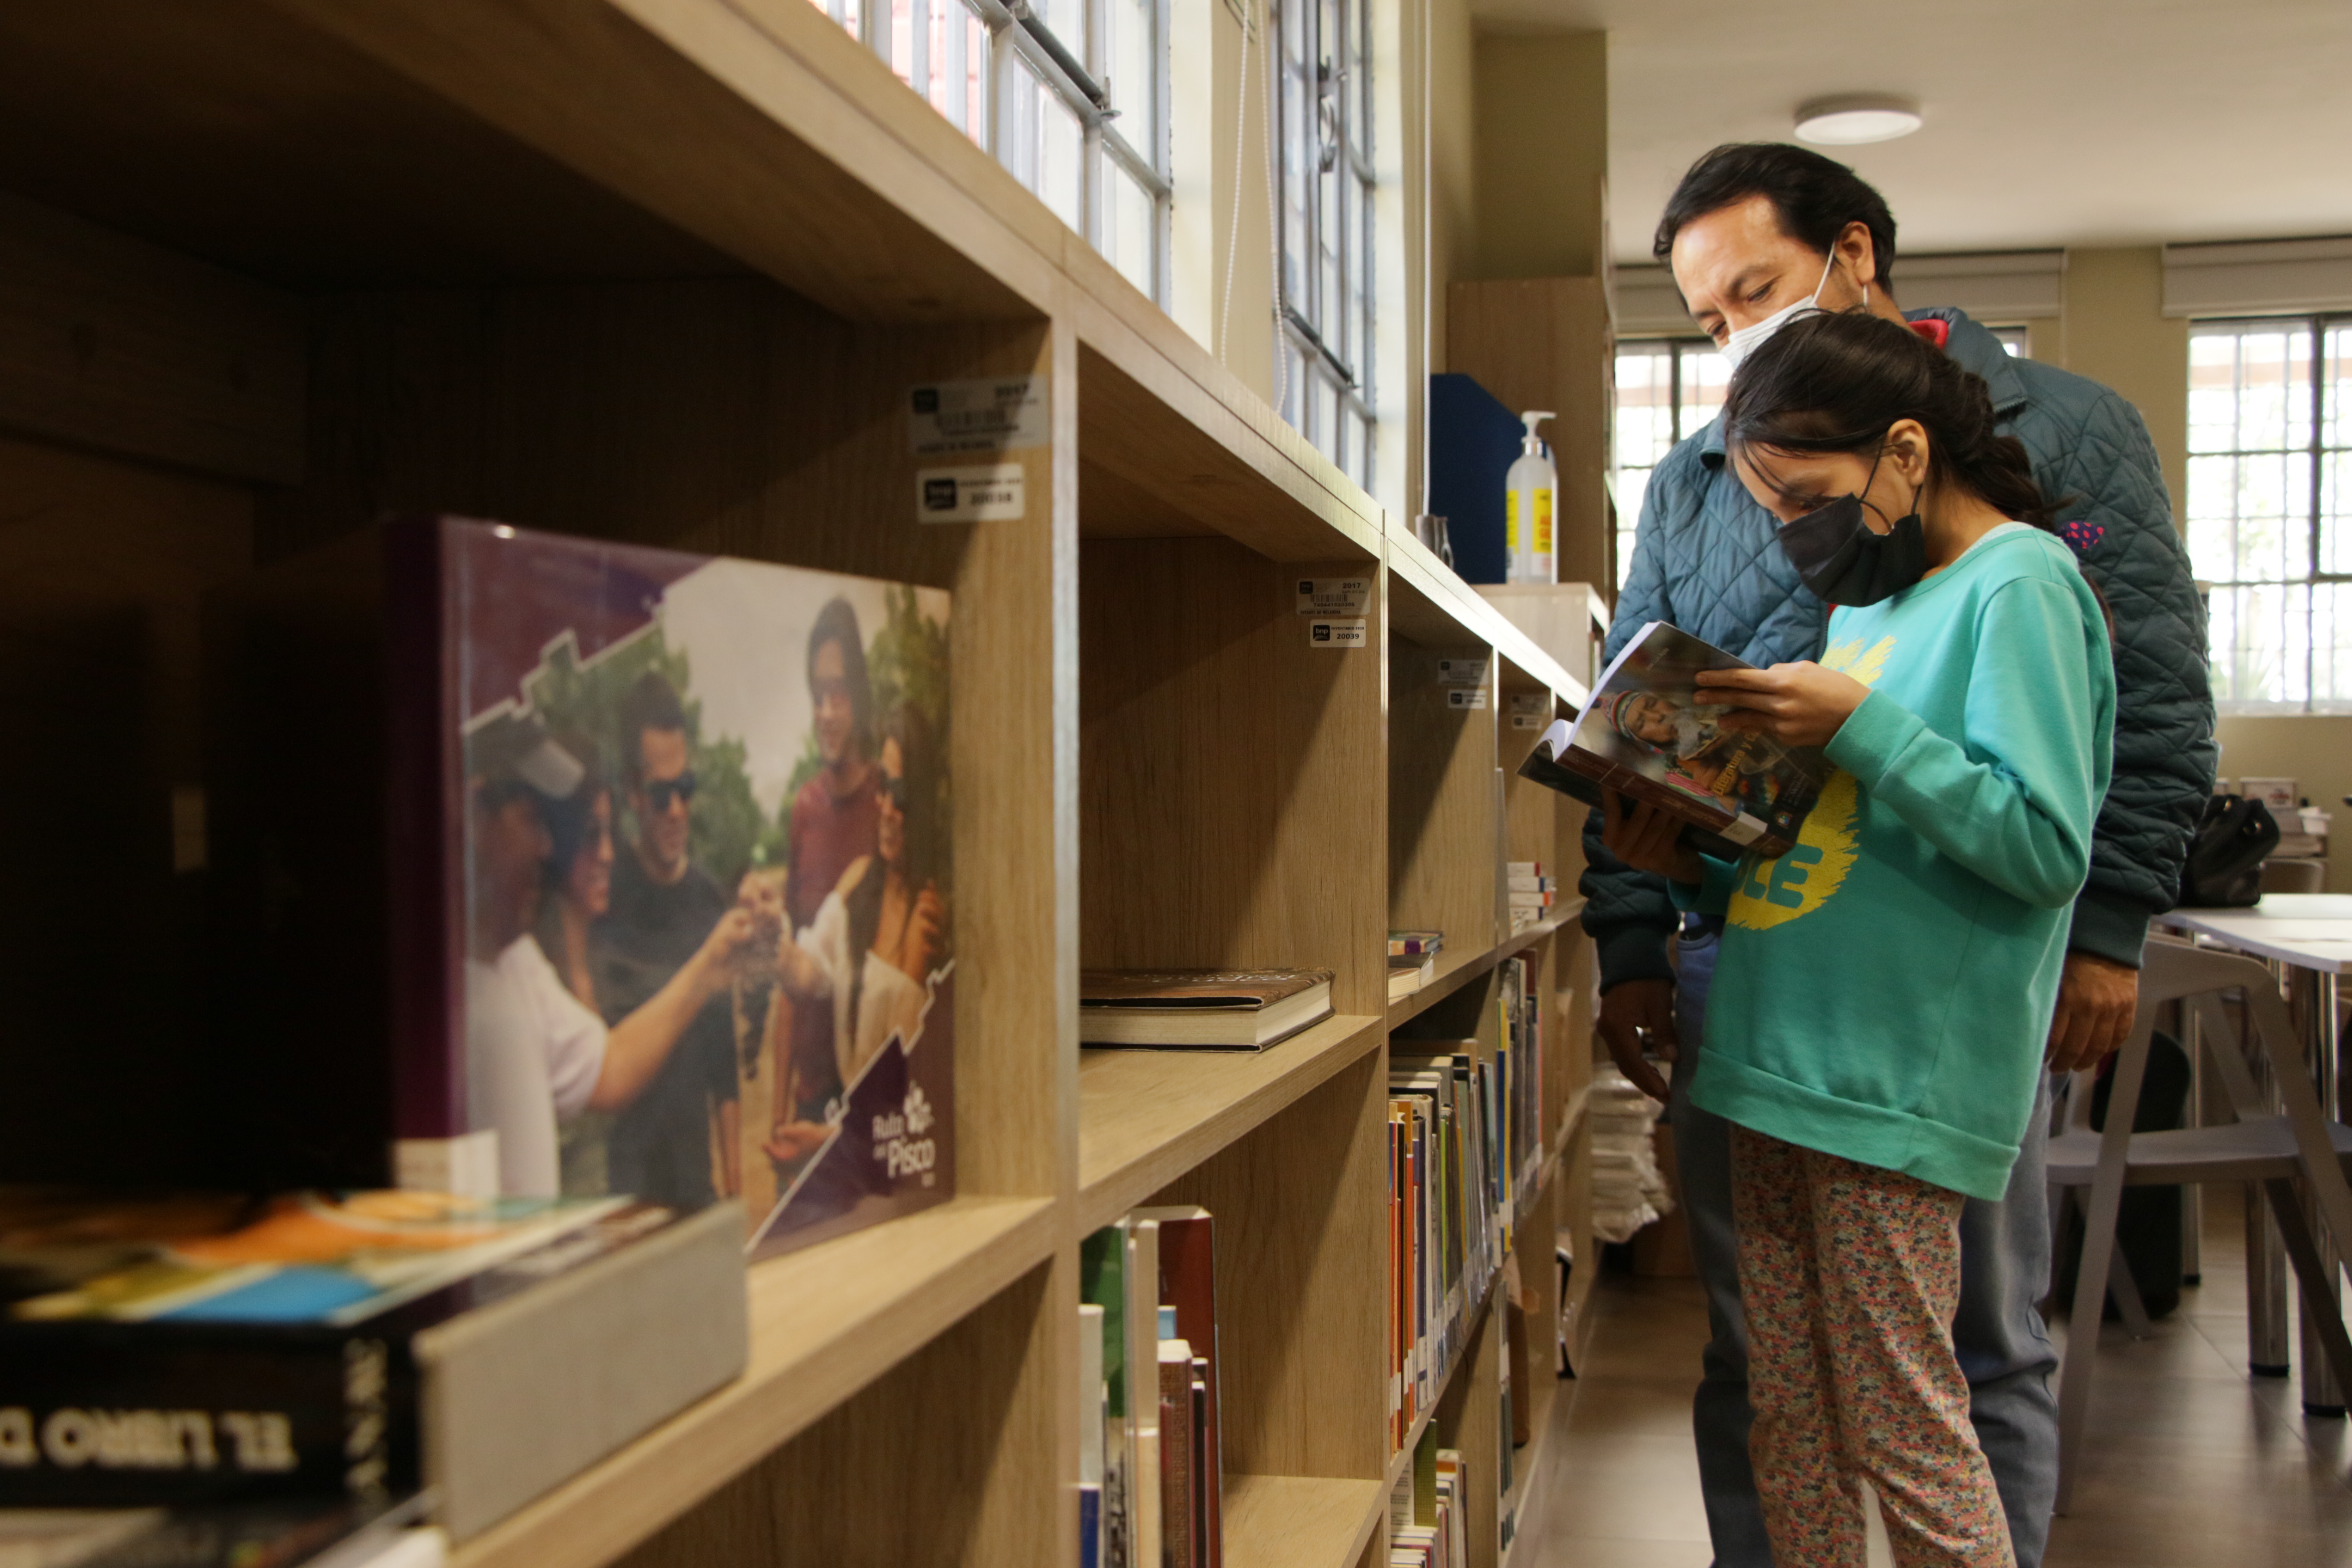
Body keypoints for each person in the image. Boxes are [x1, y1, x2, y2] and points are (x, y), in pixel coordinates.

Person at [1581, 143, 2214, 1568]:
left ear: (1904, 454)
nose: (1790, 532)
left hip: (1893, 1071)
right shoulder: (1861, 600)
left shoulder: (2018, 577)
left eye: (1807, 497)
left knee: (1924, 1405)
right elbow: (1807, 849)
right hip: (1766, 1041)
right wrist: (1668, 861)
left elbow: (2042, 828)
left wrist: (1859, 724)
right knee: (1786, 1405)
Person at [461, 715, 755, 1199]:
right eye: (536, 821)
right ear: (473, 813)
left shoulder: (519, 967)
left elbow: (613, 1066)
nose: (547, 846)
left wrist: (713, 961)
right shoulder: (444, 989)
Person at [595, 672, 744, 1208]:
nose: (677, 810)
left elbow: (724, 1066)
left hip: (697, 1195)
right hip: (627, 1203)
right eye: (662, 795)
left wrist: (736, 1189)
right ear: (633, 792)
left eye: (686, 789)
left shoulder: (708, 900)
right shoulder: (604, 899)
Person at [773, 703, 949, 1133]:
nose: (888, 808)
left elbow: (899, 1082)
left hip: (895, 1147)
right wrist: (766, 932)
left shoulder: (928, 912)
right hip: (852, 1135)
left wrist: (823, 1144)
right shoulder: (858, 882)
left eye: (903, 795)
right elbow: (805, 971)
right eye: (884, 787)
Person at [777, 600, 884, 1135]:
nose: (826, 712)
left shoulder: (887, 806)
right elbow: (792, 971)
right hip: (810, 1097)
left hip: (871, 1092)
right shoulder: (805, 810)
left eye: (838, 693)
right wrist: (778, 1114)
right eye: (817, 695)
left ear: (859, 696)